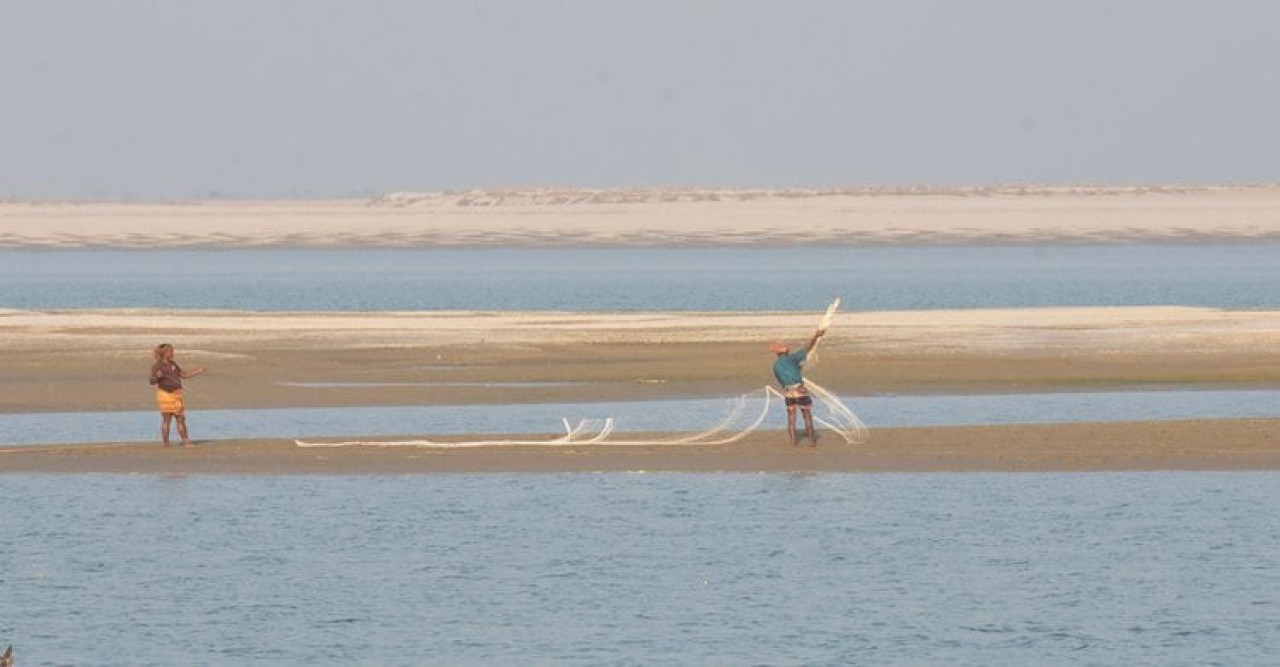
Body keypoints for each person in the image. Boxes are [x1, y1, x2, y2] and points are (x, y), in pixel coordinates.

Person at [770, 328, 825, 446]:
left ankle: (793, 442)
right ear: (785, 352)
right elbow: (808, 347)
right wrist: (816, 335)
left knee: (791, 418)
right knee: (807, 416)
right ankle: (811, 442)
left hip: (789, 393)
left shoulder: (775, 366)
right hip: (800, 391)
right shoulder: (792, 358)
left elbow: (782, 382)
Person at [149, 343, 207, 447]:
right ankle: (168, 443)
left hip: (176, 394)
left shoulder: (173, 364)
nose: (173, 353)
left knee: (180, 418)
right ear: (164, 353)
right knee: (167, 419)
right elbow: (152, 381)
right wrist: (157, 377)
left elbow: (183, 375)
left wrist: (198, 371)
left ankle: (185, 441)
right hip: (164, 394)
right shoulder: (157, 366)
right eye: (171, 351)